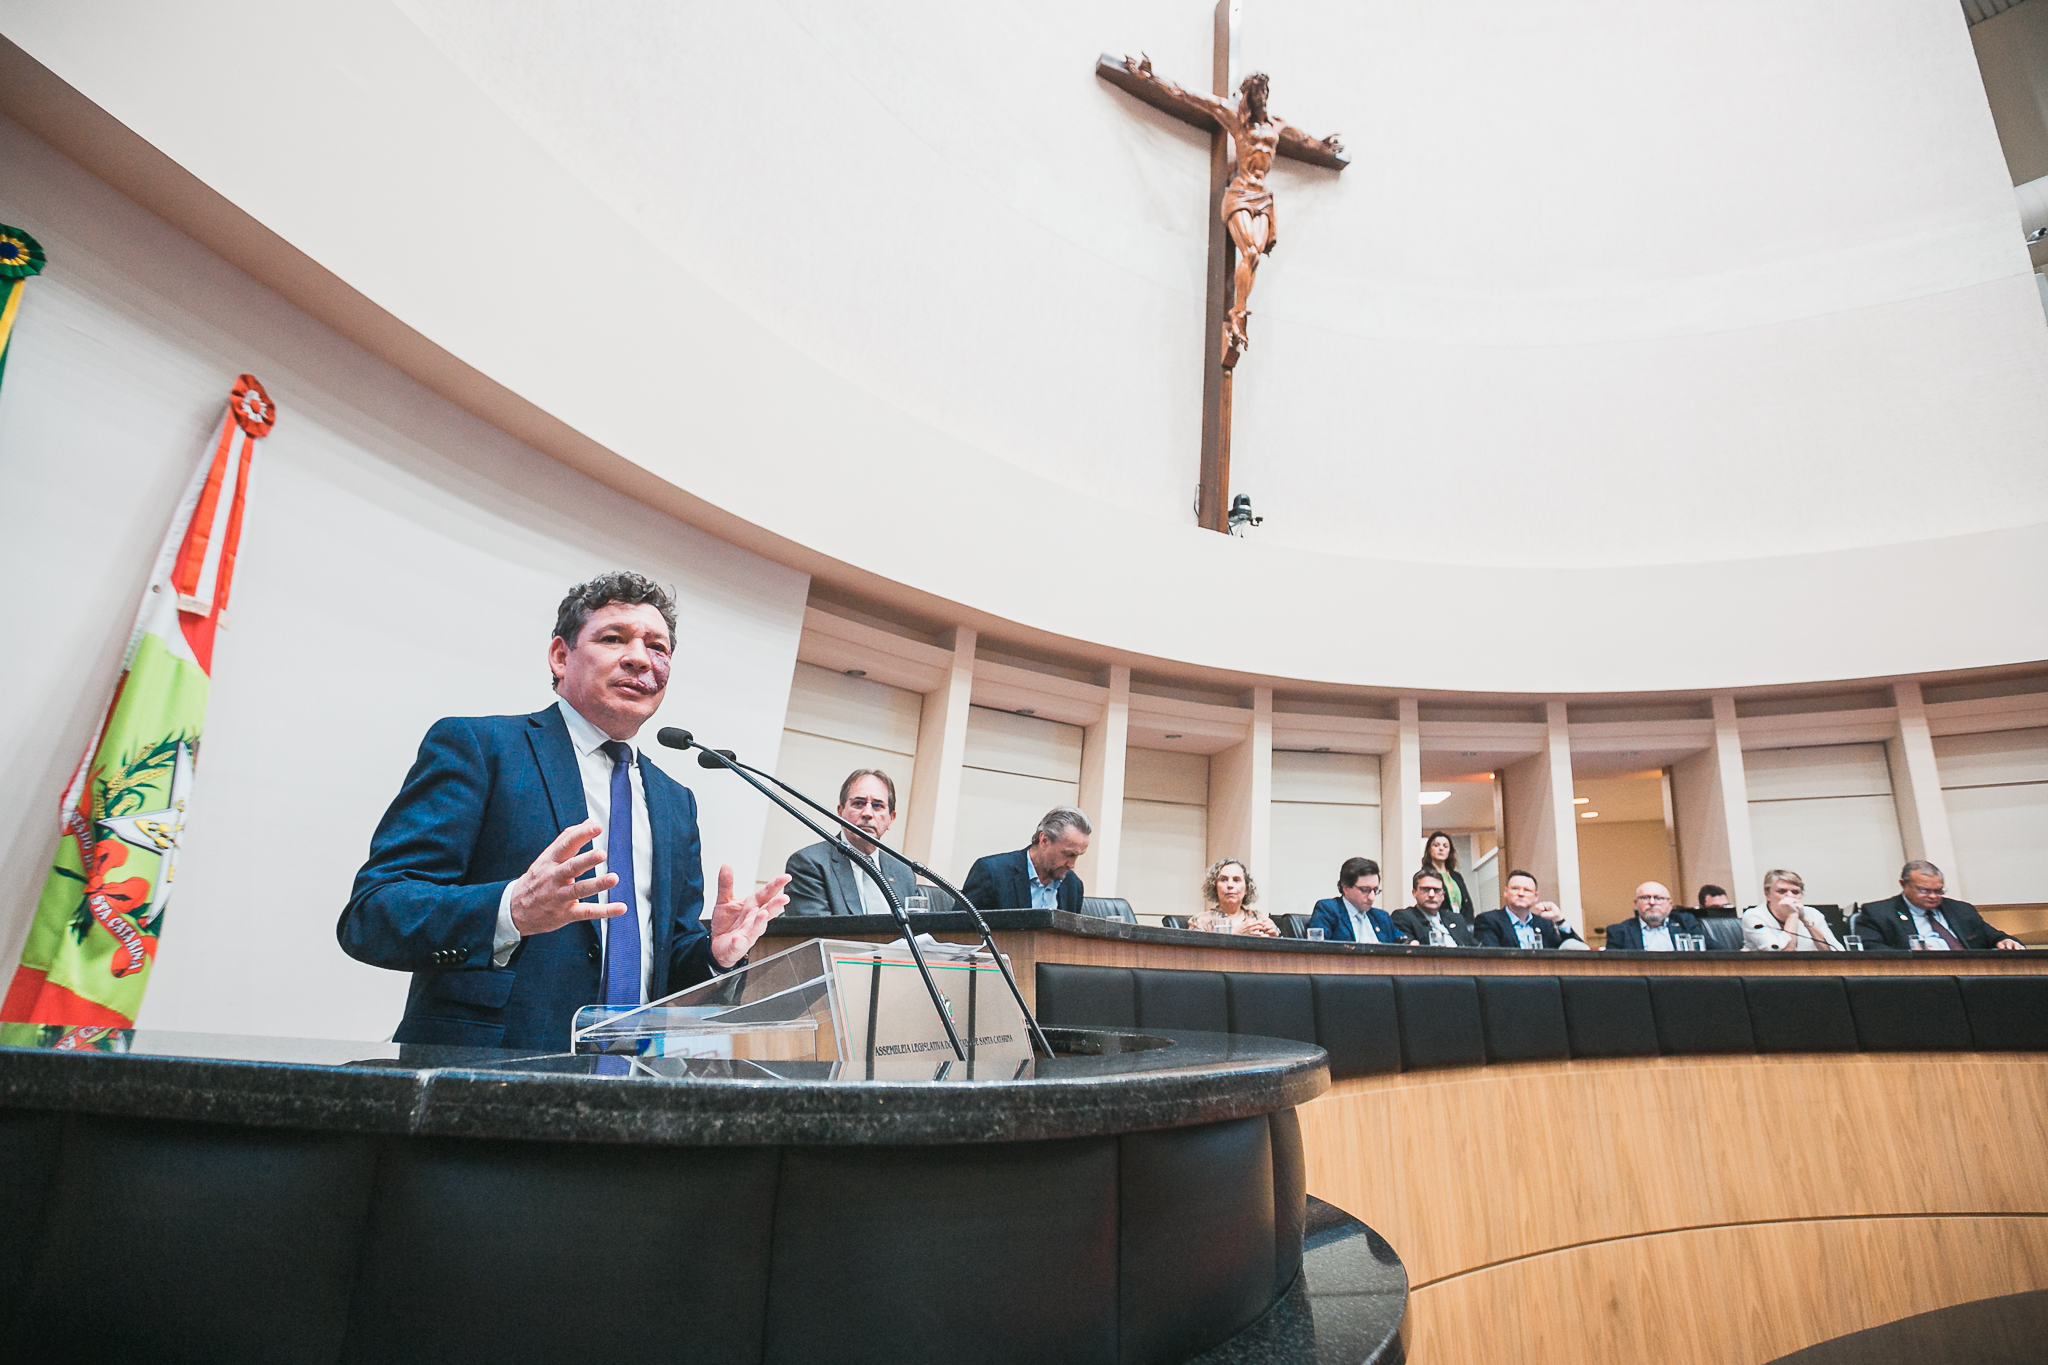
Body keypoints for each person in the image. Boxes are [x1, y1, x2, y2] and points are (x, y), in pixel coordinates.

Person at [337, 572, 790, 1050]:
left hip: (630, 1080)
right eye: (613, 638)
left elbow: (668, 963)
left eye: (657, 646)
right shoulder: (481, 749)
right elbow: (373, 915)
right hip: (486, 1071)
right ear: (560, 656)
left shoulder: (675, 801)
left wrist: (716, 957)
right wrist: (510, 910)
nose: (640, 658)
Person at [783, 769, 921, 916]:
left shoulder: (903, 872)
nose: (867, 813)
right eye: (858, 803)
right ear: (840, 811)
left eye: (877, 805)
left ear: (891, 818)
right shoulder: (810, 864)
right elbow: (816, 934)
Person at [1852, 860, 2024, 951]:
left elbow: (1995, 937)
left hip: (1972, 976)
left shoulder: (1962, 910)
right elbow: (1870, 949)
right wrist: (1911, 953)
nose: (1933, 897)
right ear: (1903, 884)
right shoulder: (1878, 913)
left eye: (1938, 891)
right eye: (1924, 891)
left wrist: (2006, 941)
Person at [961, 807, 1090, 912]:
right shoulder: (992, 873)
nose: (1072, 864)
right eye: (1068, 854)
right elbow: (958, 929)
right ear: (1044, 840)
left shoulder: (1073, 885)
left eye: (1078, 855)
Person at [1306, 857, 1412, 944]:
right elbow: (1319, 948)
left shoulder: (1381, 917)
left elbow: (1400, 939)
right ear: (1346, 888)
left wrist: (1409, 943)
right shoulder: (1328, 909)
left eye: (1375, 890)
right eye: (1365, 890)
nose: (1372, 897)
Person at [1474, 870, 1586, 949]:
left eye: (1527, 890)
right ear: (1505, 892)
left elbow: (1578, 949)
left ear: (1536, 896)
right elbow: (1491, 956)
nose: (1521, 893)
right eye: (1515, 888)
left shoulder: (1544, 924)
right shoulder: (1488, 920)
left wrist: (1559, 920)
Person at [1740, 869, 1844, 951]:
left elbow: (1833, 952)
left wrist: (1806, 921)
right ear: (1767, 894)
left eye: (1795, 892)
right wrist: (1792, 916)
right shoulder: (1754, 916)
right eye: (1782, 891)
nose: (1790, 896)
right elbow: (1784, 957)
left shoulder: (1813, 914)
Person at [1603, 882, 1709, 951]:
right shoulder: (1619, 932)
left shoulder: (1685, 923)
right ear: (1636, 904)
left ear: (1670, 904)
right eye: (1645, 898)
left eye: (1659, 898)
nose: (1652, 902)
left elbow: (1717, 952)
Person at [1189, 858, 1282, 936]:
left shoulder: (1257, 917)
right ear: (1214, 887)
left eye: (1236, 880)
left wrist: (1275, 937)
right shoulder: (1202, 920)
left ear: (1246, 889)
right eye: (1224, 879)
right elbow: (1195, 954)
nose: (1230, 885)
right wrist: (1235, 933)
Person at [1390, 870, 1479, 947]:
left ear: (1443, 895)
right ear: (1414, 893)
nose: (1431, 895)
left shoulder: (1456, 919)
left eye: (1436, 890)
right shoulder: (1404, 917)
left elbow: (1476, 948)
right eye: (1425, 889)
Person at [1419, 831, 1476, 921]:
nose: (1441, 849)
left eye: (1445, 846)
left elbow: (1467, 903)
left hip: (1460, 922)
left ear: (1449, 851)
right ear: (1429, 849)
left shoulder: (1456, 876)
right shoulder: (1426, 876)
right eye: (1436, 845)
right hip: (1437, 921)